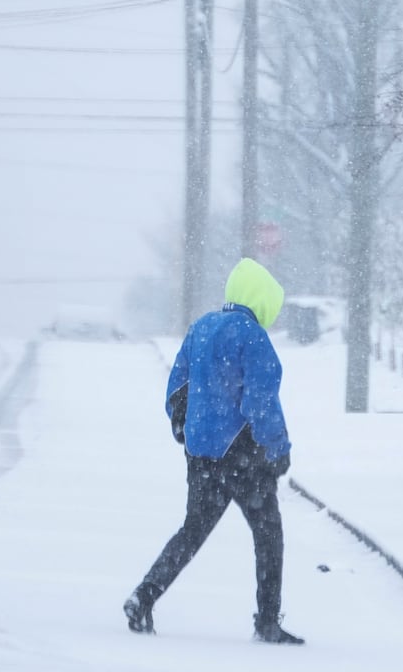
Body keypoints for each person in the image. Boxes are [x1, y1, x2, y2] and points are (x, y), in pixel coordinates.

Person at [122, 257, 303, 645]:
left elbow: (177, 385)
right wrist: (278, 448)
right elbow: (261, 403)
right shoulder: (253, 337)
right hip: (244, 454)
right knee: (268, 534)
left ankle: (145, 595)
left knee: (192, 531)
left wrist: (181, 423)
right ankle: (267, 620)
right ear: (262, 300)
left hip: (201, 453)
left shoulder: (201, 328)